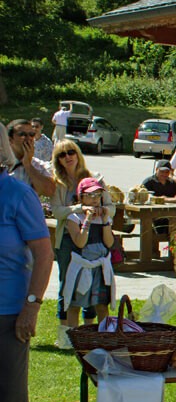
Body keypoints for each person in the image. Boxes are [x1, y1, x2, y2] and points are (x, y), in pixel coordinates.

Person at [1, 122, 54, 402]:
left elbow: (44, 253)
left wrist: (32, 306)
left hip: (8, 312)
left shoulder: (17, 193)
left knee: (9, 398)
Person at [50, 140, 113, 348]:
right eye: (62, 154)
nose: (67, 157)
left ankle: (90, 331)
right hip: (68, 238)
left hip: (94, 236)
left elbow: (111, 206)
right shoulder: (59, 182)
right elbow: (57, 211)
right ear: (57, 160)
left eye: (71, 152)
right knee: (68, 285)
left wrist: (102, 212)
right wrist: (79, 208)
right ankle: (66, 335)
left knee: (95, 283)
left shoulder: (94, 177)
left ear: (77, 154)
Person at [62, 178, 115, 329]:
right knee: (75, 304)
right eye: (90, 195)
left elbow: (109, 243)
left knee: (101, 305)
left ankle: (103, 336)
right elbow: (80, 242)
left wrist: (105, 220)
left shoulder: (105, 217)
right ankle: (74, 335)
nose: (95, 200)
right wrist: (87, 220)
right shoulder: (74, 217)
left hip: (99, 267)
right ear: (81, 197)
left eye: (98, 195)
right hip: (82, 266)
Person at [7, 120, 55, 197]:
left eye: (31, 134)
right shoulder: (3, 164)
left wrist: (28, 165)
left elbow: (49, 191)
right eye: (22, 134)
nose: (28, 138)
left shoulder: (40, 166)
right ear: (10, 140)